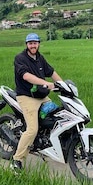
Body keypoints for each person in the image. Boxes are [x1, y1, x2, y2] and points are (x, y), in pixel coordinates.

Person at [11, 33, 63, 172]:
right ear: (27, 44)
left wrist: (64, 85)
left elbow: (51, 72)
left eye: (35, 43)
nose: (33, 45)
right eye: (30, 43)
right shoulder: (20, 58)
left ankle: (47, 145)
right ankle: (17, 160)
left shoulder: (40, 58)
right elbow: (26, 76)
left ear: (39, 43)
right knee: (32, 129)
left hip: (41, 95)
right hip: (27, 97)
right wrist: (46, 83)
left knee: (57, 117)